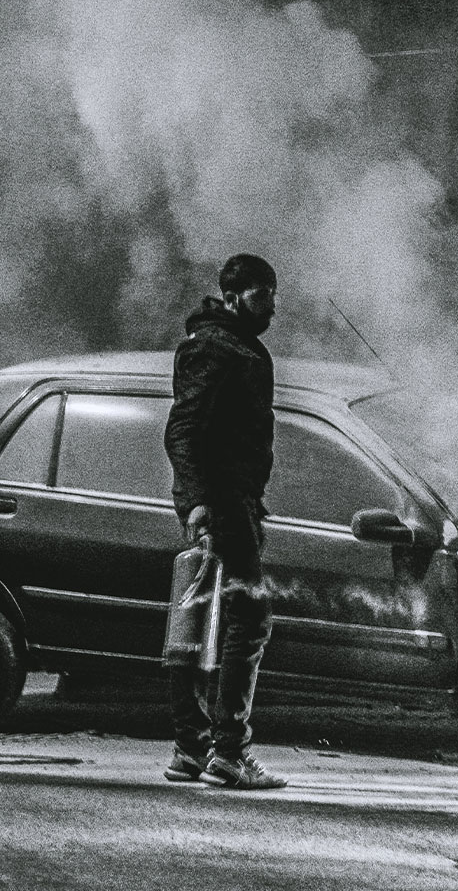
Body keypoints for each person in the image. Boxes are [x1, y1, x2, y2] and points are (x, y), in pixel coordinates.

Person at [161, 252, 285, 790]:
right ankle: (229, 753)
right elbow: (182, 431)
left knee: (198, 624)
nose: (273, 307)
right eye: (264, 296)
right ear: (234, 296)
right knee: (247, 620)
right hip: (222, 507)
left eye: (275, 296)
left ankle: (191, 749)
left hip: (232, 504)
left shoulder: (231, 346)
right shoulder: (213, 348)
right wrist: (198, 506)